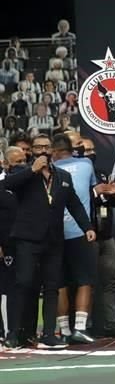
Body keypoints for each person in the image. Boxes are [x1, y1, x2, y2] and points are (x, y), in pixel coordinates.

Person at [4, 134, 94, 349]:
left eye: (46, 147)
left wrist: (87, 227)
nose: (43, 151)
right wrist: (32, 170)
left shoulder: (62, 176)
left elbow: (74, 204)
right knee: (23, 283)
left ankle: (48, 334)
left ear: (53, 151)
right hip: (27, 238)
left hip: (54, 239)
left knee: (52, 286)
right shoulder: (24, 174)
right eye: (38, 147)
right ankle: (14, 333)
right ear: (32, 151)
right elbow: (6, 185)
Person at [52, 132, 115, 344]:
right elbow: (90, 192)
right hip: (81, 231)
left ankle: (63, 330)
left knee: (59, 283)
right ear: (73, 148)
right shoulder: (86, 166)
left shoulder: (49, 169)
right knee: (85, 281)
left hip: (54, 232)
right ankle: (80, 328)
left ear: (54, 151)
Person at [81, 135, 115, 337]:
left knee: (110, 280)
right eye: (86, 150)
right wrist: (97, 193)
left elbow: (113, 204)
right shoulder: (76, 176)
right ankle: (85, 325)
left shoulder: (101, 173)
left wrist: (114, 193)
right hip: (86, 235)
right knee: (87, 281)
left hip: (106, 234)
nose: (91, 154)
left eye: (92, 150)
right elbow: (81, 202)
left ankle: (111, 323)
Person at [0, 147, 21, 346]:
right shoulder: (1, 186)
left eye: (24, 160)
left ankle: (18, 332)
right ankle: (6, 332)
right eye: (16, 162)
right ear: (6, 164)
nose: (21, 165)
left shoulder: (31, 184)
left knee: (21, 288)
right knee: (6, 289)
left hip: (25, 243)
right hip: (5, 244)